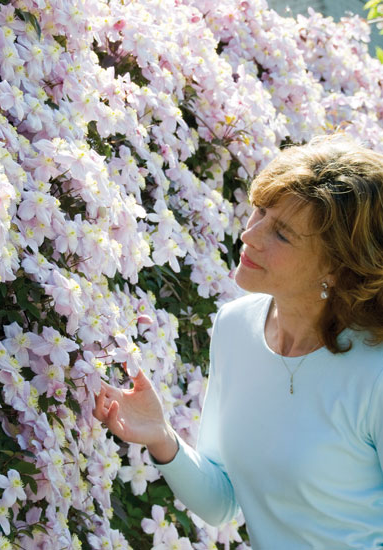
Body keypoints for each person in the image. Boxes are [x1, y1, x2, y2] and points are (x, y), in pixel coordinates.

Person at [94, 134, 383, 549]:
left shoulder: (375, 373)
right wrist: (161, 436)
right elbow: (221, 501)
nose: (251, 234)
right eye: (260, 211)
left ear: (337, 267)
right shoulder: (235, 326)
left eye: (282, 234)